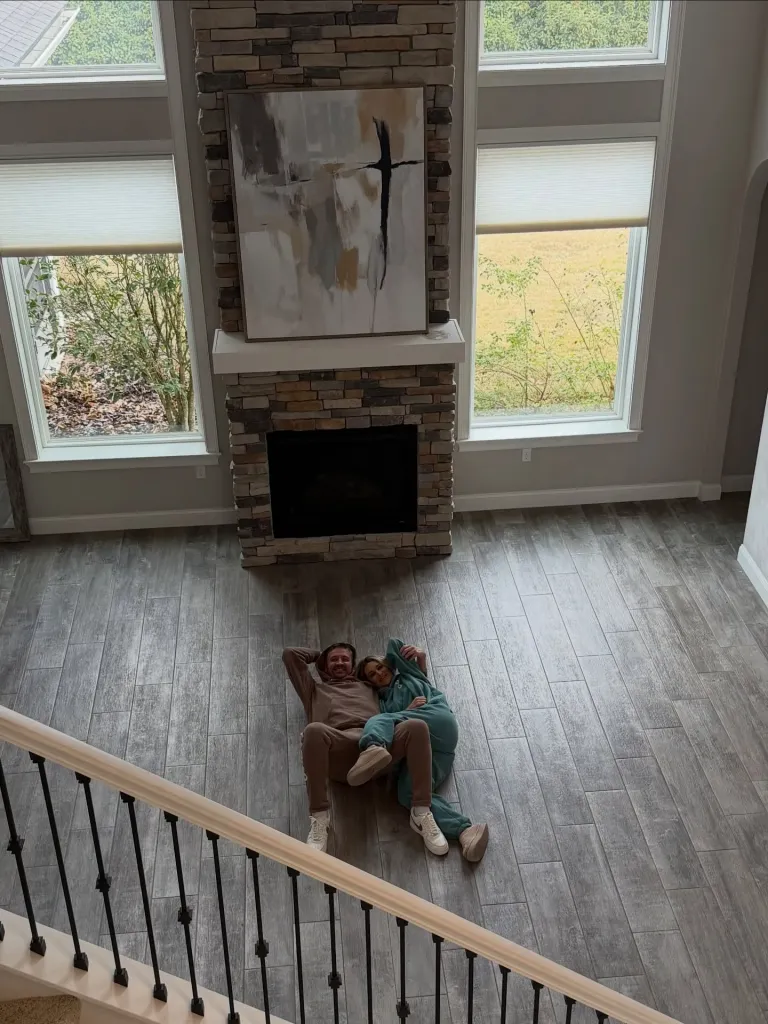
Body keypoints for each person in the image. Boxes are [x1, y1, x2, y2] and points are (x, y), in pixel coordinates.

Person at [282, 641, 450, 856]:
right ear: (325, 664)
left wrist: (420, 663)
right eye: (334, 659)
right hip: (338, 748)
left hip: (379, 751)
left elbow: (404, 685)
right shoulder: (313, 690)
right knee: (313, 730)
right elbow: (290, 654)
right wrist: (321, 654)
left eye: (345, 659)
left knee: (417, 726)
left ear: (353, 666)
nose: (340, 662)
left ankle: (421, 813)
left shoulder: (370, 687)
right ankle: (320, 819)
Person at [353, 638, 489, 863]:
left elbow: (393, 644)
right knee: (409, 795)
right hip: (436, 752)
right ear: (370, 684)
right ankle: (466, 832)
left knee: (381, 720)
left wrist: (418, 654)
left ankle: (372, 746)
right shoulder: (383, 704)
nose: (378, 674)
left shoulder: (407, 675)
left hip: (437, 720)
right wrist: (406, 711)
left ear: (388, 664)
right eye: (371, 675)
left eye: (379, 667)